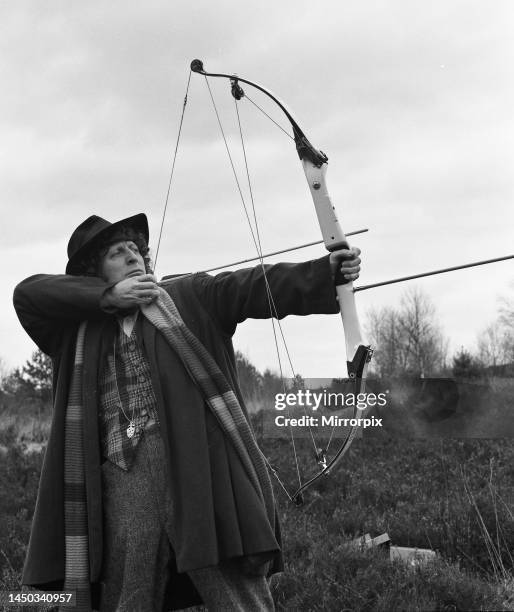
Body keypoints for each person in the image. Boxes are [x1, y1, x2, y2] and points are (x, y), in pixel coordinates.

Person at [13, 213, 361, 611]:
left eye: (134, 249)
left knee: (235, 593)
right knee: (129, 595)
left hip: (201, 474)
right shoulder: (75, 330)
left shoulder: (188, 296)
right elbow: (28, 295)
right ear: (93, 273)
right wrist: (107, 298)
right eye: (116, 253)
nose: (132, 256)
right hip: (123, 482)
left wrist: (323, 273)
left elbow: (249, 287)